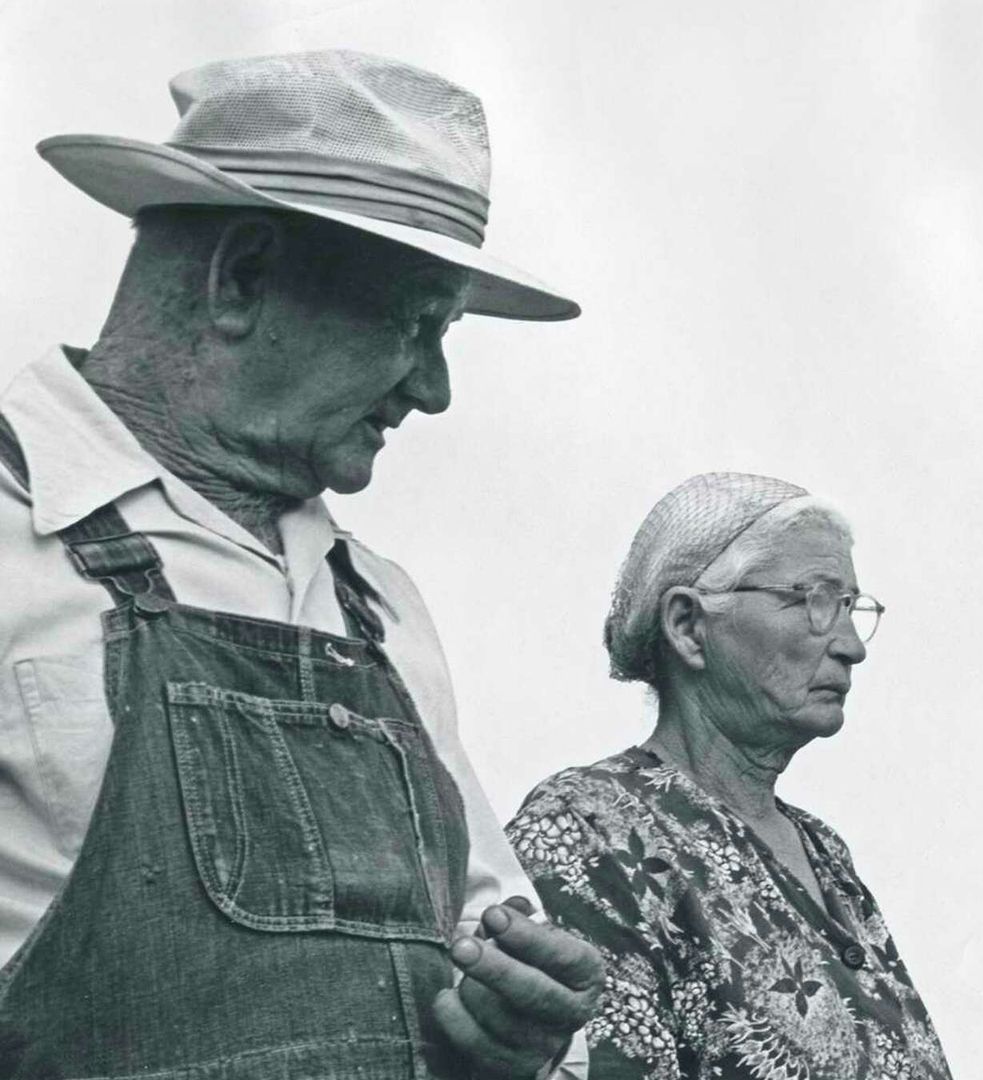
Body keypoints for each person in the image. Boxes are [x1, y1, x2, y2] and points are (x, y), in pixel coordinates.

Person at [0, 51, 601, 1078]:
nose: (435, 388)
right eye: (415, 320)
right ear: (240, 278)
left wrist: (527, 1031)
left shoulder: (382, 608)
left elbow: (490, 930)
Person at [507, 472, 952, 1079]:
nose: (852, 646)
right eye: (816, 601)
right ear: (688, 626)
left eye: (851, 606)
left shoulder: (823, 852)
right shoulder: (589, 828)